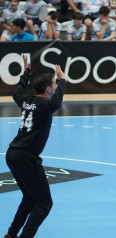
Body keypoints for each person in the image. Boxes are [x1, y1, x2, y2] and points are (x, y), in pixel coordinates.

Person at [3, 55, 67, 238]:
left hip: (12, 154)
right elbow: (57, 100)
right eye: (54, 85)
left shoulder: (25, 100)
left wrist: (25, 74)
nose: (56, 87)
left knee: (30, 198)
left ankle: (10, 235)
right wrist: (63, 80)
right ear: (48, 89)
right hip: (26, 158)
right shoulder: (46, 105)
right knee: (45, 203)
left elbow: (16, 92)